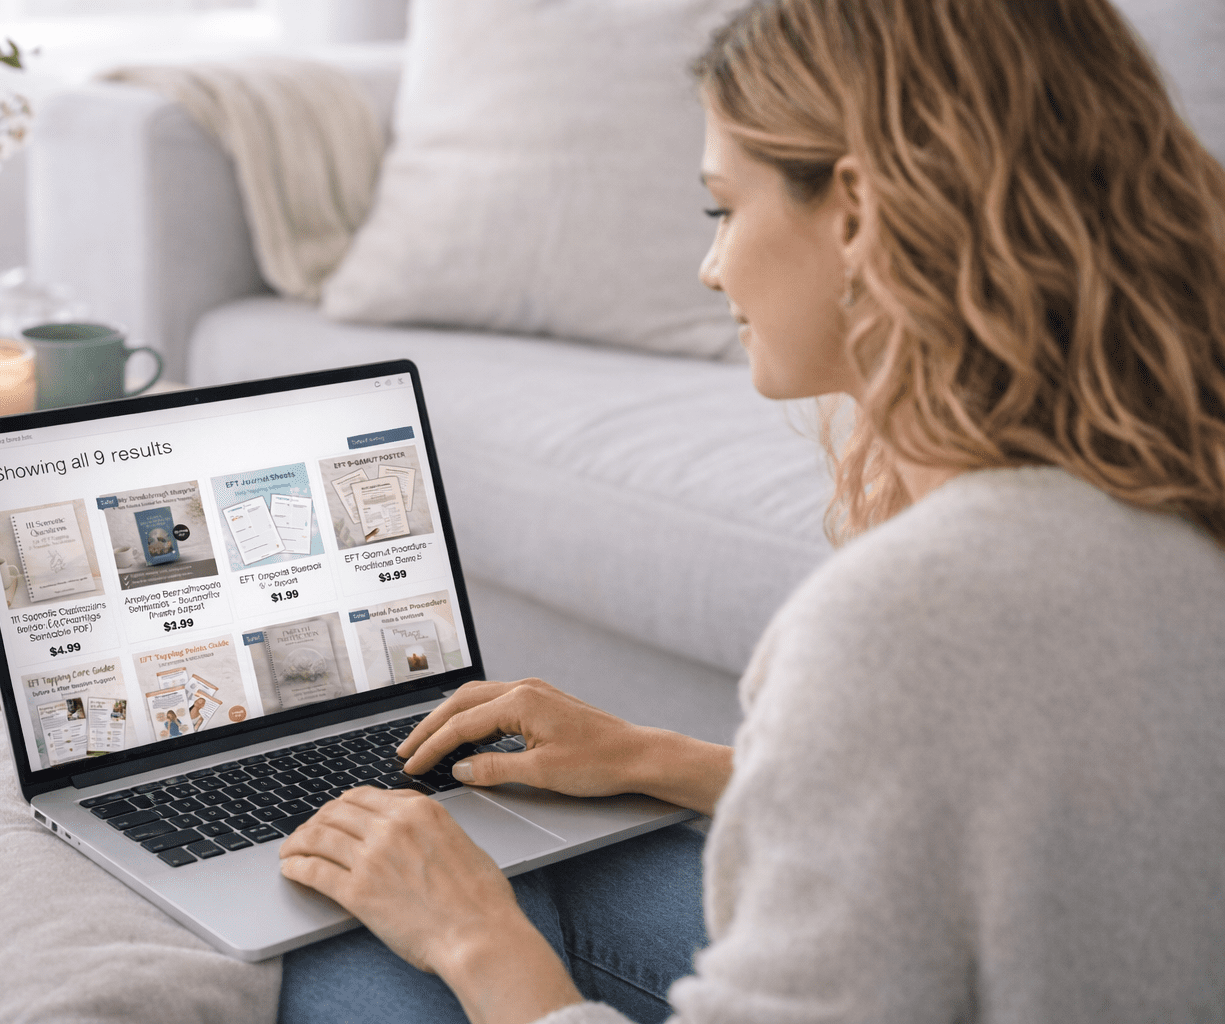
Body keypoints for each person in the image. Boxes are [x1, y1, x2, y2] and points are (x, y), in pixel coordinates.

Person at [276, 1, 1225, 1022]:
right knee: (557, 864)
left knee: (368, 945)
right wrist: (657, 759)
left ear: (857, 213)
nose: (712, 264)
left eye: (722, 207)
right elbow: (999, 808)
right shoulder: (1167, 503)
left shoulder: (901, 623)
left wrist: (475, 939)